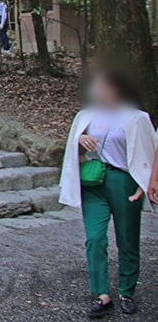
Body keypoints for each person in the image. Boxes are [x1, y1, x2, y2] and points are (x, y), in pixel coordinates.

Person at [58, 69, 158, 318]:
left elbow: (149, 153)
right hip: (94, 182)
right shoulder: (86, 116)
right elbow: (72, 149)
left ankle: (127, 291)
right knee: (94, 238)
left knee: (127, 238)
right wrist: (80, 140)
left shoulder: (137, 118)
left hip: (124, 180)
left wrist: (144, 186)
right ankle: (101, 294)